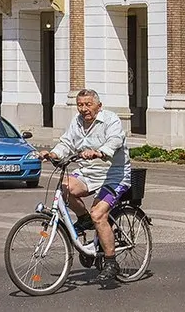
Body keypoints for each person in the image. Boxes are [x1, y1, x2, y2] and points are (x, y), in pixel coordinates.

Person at [45, 89, 127, 284]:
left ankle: (111, 261)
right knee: (64, 187)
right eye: (80, 105)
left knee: (98, 214)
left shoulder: (111, 120)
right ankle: (84, 219)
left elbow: (116, 140)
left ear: (98, 106)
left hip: (113, 176)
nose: (83, 109)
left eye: (88, 104)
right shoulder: (77, 122)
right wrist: (53, 154)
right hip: (87, 174)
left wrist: (100, 152)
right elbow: (66, 142)